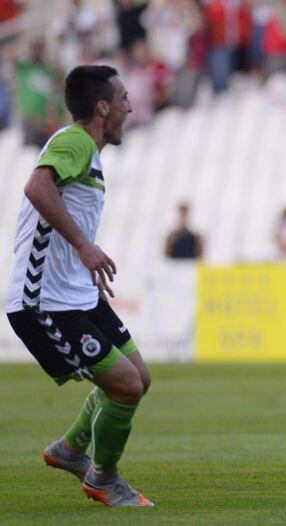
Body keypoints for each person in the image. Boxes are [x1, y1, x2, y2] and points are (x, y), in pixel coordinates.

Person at [5, 65, 153, 507]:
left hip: (76, 293)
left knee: (139, 379)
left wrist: (80, 261)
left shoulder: (87, 151)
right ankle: (102, 479)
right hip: (43, 301)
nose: (130, 107)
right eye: (124, 98)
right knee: (124, 387)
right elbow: (37, 188)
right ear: (103, 107)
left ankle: (70, 449)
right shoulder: (76, 141)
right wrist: (84, 247)